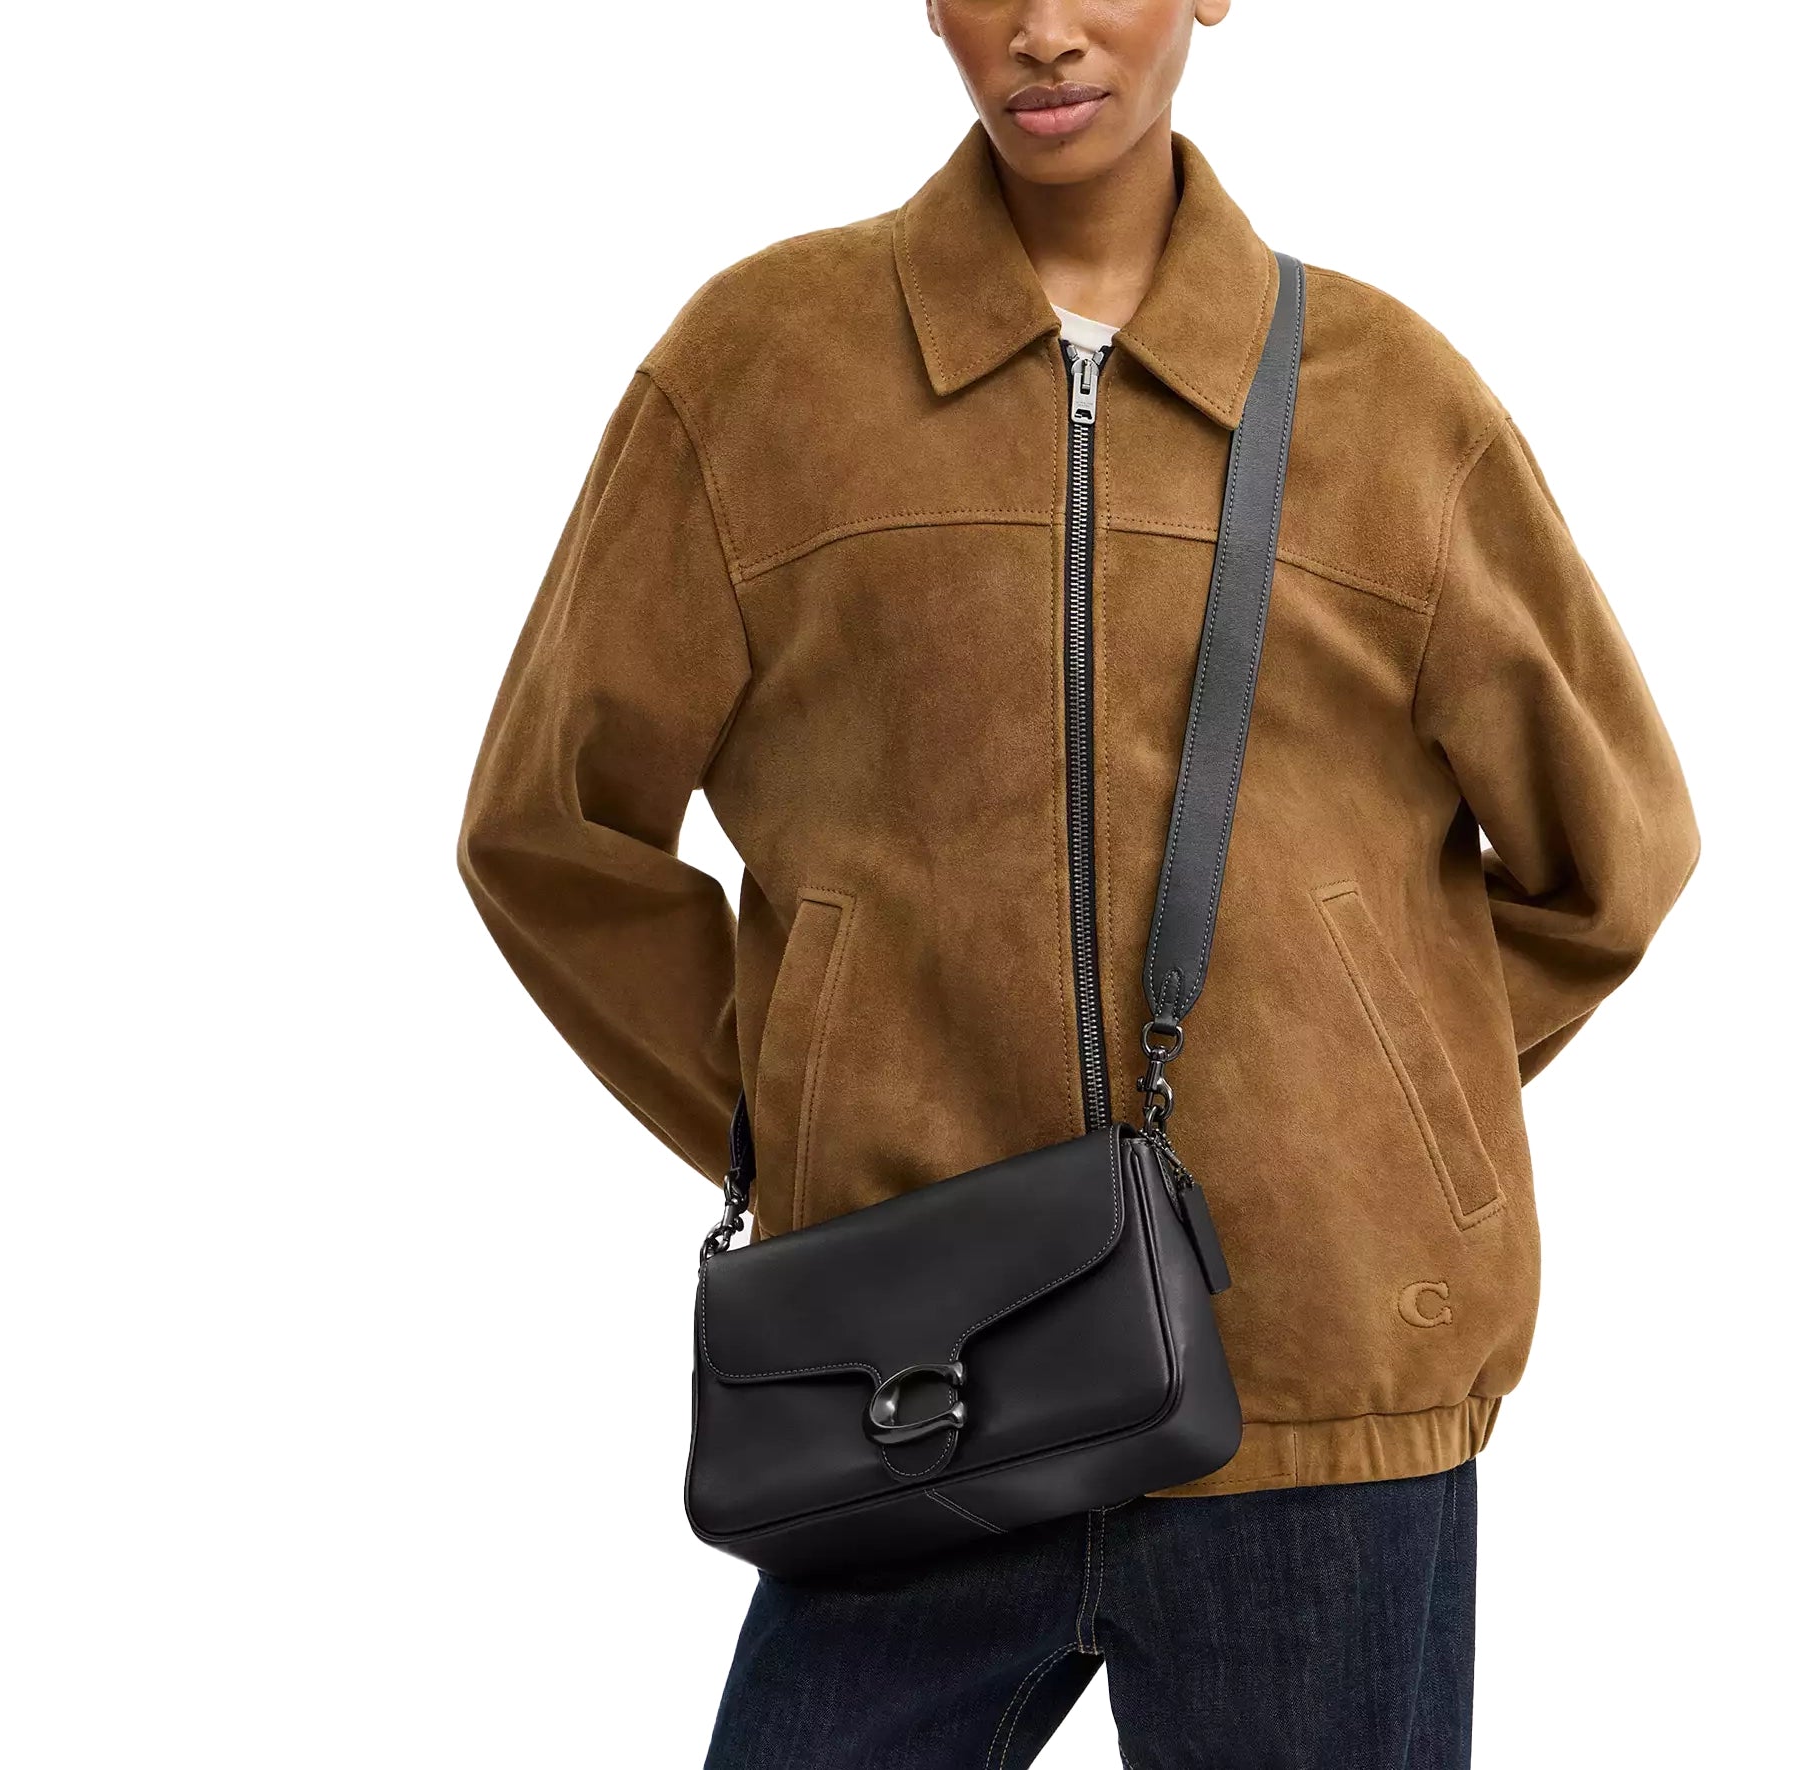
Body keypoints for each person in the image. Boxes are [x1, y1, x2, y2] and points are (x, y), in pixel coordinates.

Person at [456, 1, 1698, 1762]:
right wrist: (799, 1110)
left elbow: (1615, 848)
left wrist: (1368, 1096)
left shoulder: (1395, 403)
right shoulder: (759, 372)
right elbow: (546, 824)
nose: (1043, 32)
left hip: (1316, 1381)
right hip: (919, 1381)